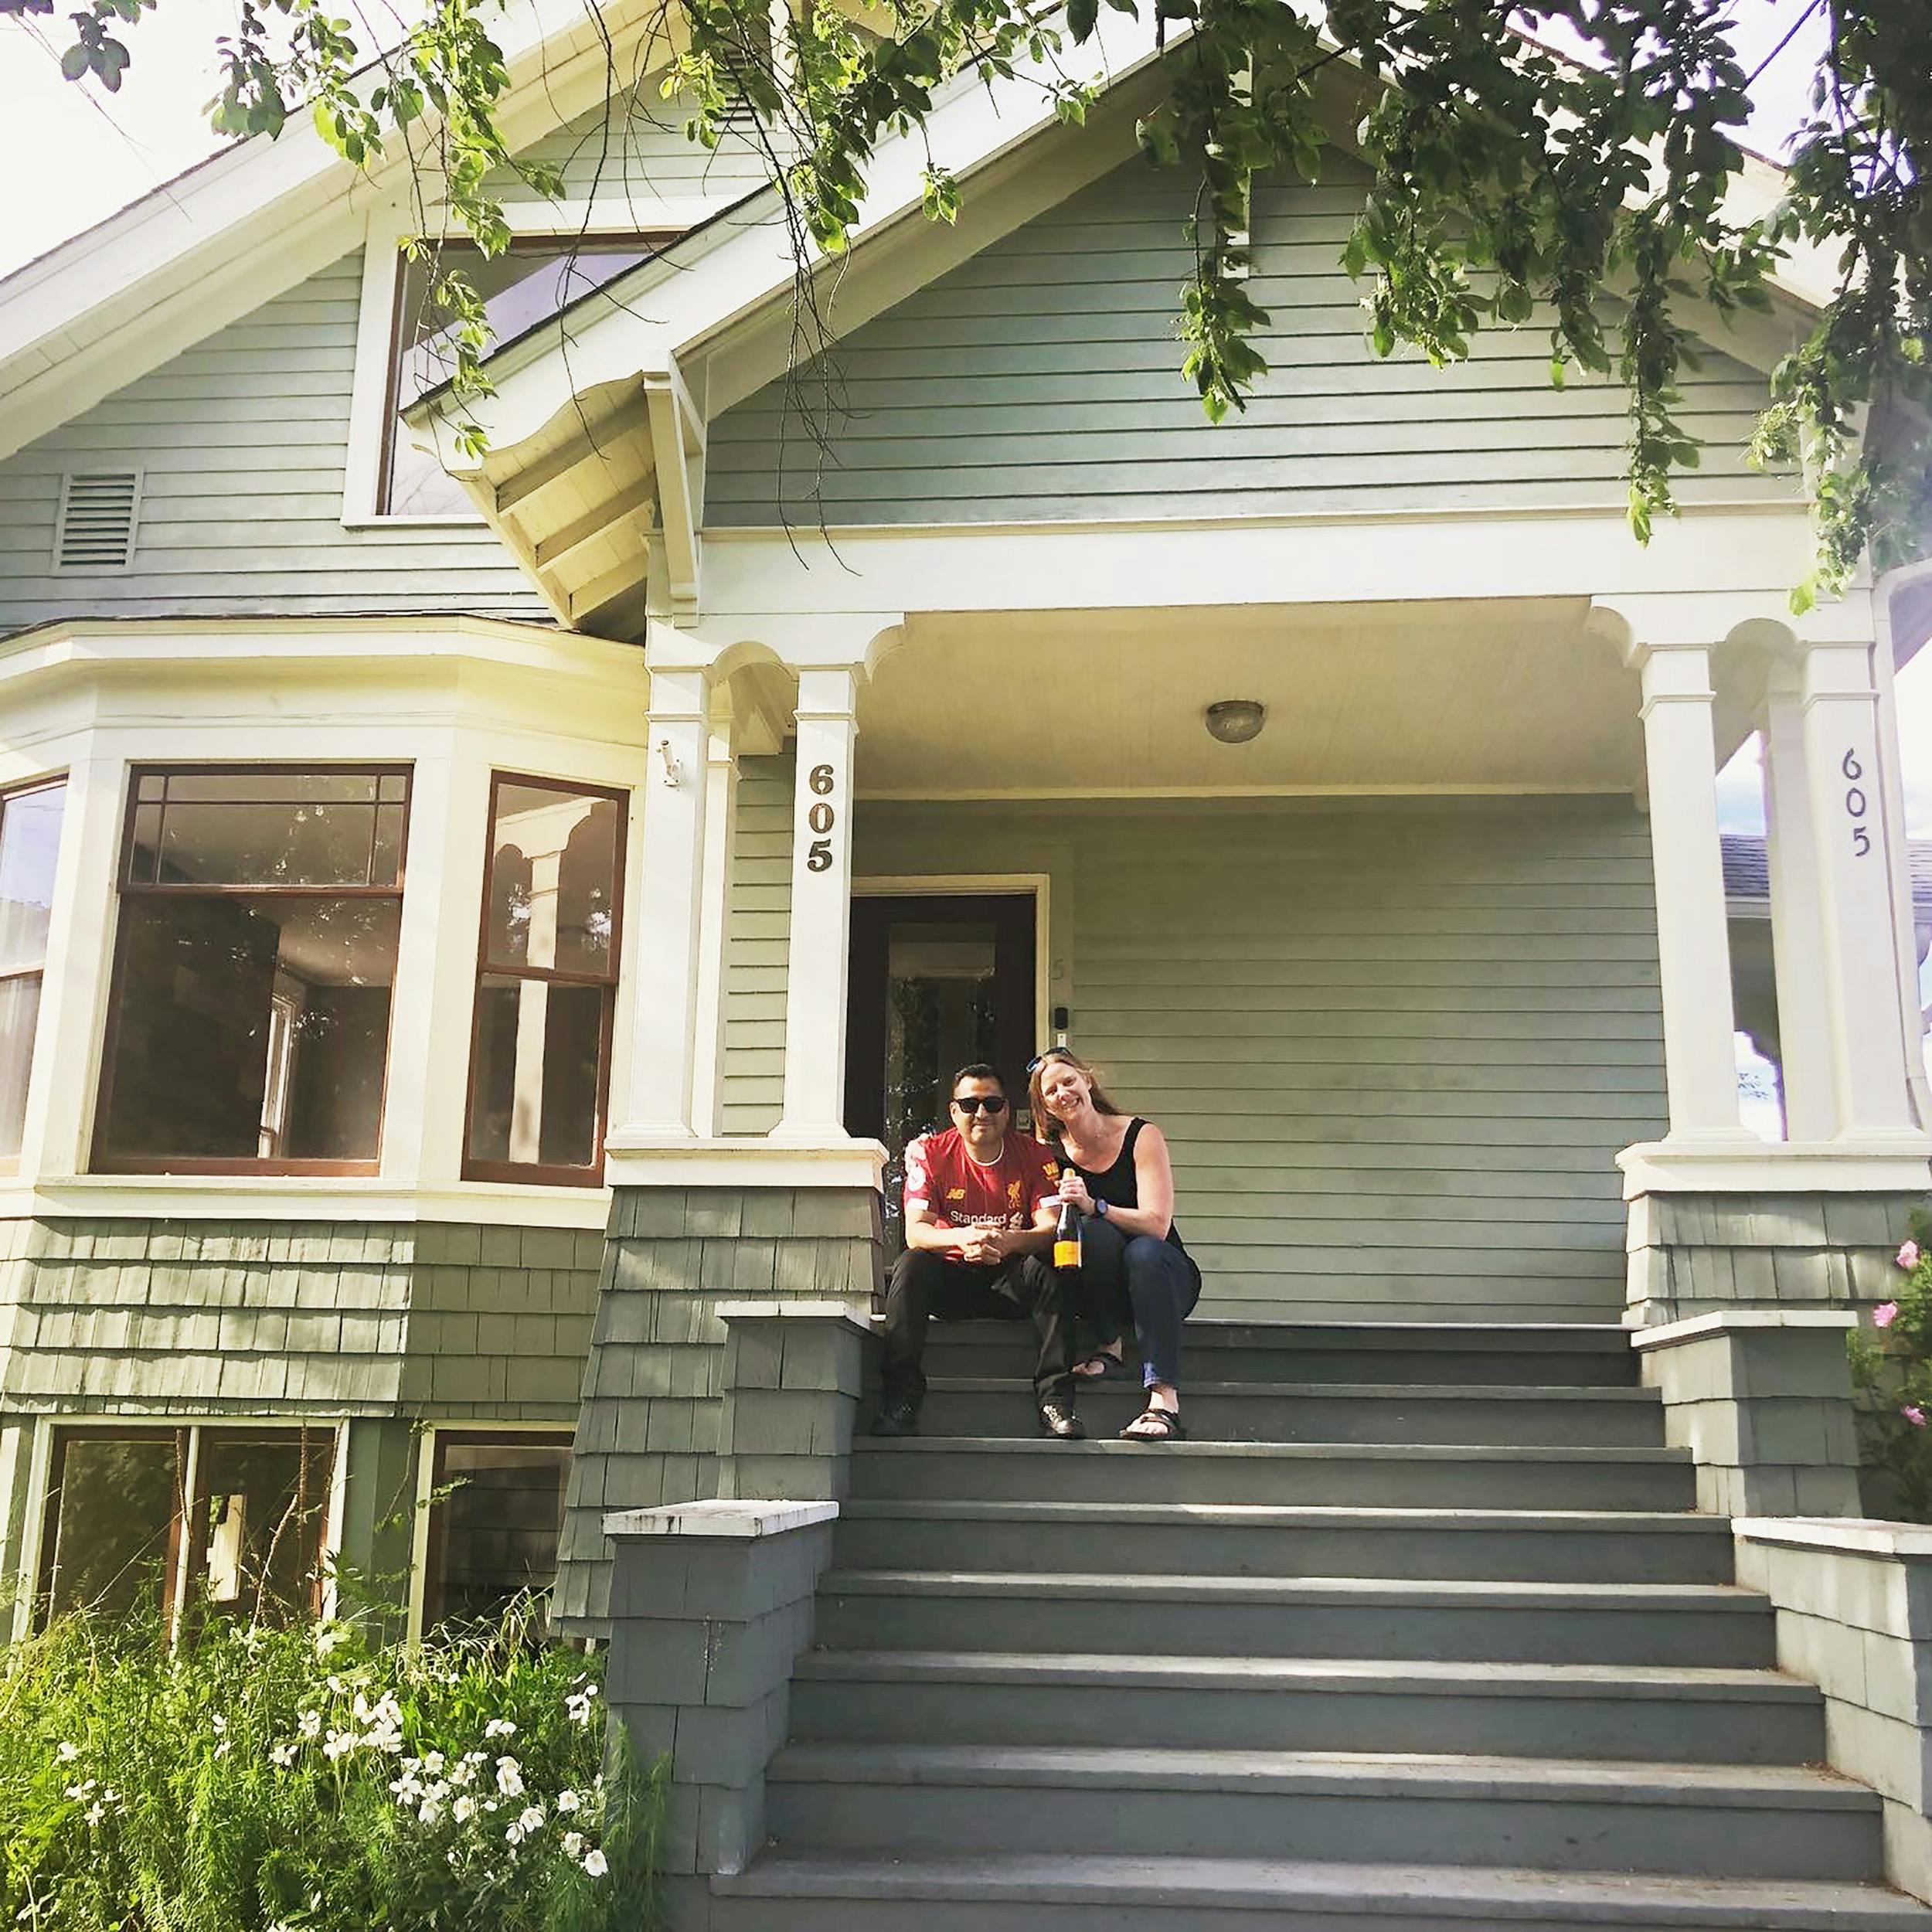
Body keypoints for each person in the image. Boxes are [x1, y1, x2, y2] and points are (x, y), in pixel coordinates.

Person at [874, 1063, 1084, 1440]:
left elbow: (1050, 1226)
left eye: (992, 1104)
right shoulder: (930, 1153)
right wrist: (962, 1238)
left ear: (1007, 1110)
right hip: (952, 1277)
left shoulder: (1036, 1154)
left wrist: (1004, 1242)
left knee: (1053, 1265)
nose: (982, 1113)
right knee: (910, 1266)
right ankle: (900, 1398)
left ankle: (1056, 1401)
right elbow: (916, 1232)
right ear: (954, 1112)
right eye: (970, 1105)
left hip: (1011, 1279)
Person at [1030, 1047, 1200, 1442]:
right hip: (1102, 1286)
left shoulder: (1141, 1135)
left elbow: (1157, 1226)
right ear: (1046, 1107)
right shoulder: (1050, 1154)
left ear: (1087, 1080)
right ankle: (1110, 1345)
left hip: (1163, 1276)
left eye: (1068, 1081)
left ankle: (1163, 1400)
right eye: (1050, 1091)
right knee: (1092, 1236)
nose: (1062, 1093)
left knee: (1141, 1250)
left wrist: (1096, 1205)